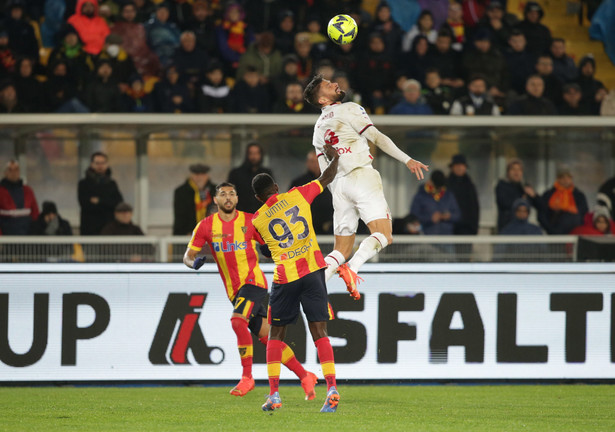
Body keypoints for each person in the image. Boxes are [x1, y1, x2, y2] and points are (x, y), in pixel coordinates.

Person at [183, 182, 317, 399]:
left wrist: (269, 250)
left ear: (237, 199)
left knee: (237, 321)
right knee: (268, 337)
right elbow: (187, 256)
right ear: (215, 200)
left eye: (232, 194)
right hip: (234, 292)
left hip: (253, 283)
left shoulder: (251, 221)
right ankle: (305, 375)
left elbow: (271, 243)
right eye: (223, 194)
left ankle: (247, 377)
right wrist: (194, 263)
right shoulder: (206, 226)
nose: (228, 198)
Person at [303, 74, 429, 298]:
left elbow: (324, 172)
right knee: (384, 235)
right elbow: (376, 137)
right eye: (328, 85)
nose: (335, 84)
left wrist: (338, 195)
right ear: (322, 100)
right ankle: (353, 268)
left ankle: (309, 290)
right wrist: (407, 159)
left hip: (338, 187)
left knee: (340, 250)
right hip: (361, 175)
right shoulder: (350, 108)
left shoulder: (318, 128)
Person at [251, 143, 341, 413]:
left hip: (286, 277)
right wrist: (334, 155)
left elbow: (266, 250)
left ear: (257, 197)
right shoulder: (299, 194)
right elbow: (327, 178)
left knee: (276, 334)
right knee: (319, 332)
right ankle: (333, 387)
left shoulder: (257, 220)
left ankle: (274, 394)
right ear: (276, 187)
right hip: (314, 271)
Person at [78, 151, 123, 235]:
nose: (100, 166)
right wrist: (108, 203)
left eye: (102, 163)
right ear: (92, 164)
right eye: (97, 163)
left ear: (107, 164)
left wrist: (99, 201)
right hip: (89, 229)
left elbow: (118, 202)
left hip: (109, 229)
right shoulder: (84, 184)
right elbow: (85, 204)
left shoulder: (112, 184)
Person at [289, 150, 334, 235]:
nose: (316, 164)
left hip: (329, 229)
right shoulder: (298, 183)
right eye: (312, 161)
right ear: (307, 163)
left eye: (318, 161)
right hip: (305, 229)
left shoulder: (332, 181)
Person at [495, 158, 543, 232]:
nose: (516, 172)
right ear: (508, 172)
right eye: (513, 169)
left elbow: (541, 206)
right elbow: (504, 203)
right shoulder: (502, 186)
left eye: (519, 170)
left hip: (524, 230)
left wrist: (534, 195)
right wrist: (522, 199)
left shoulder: (525, 187)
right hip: (506, 229)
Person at [410, 169, 461, 235]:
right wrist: (430, 218)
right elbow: (413, 216)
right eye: (436, 186)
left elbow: (458, 215)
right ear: (431, 181)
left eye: (440, 186)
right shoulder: (421, 195)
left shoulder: (449, 195)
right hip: (427, 237)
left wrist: (448, 216)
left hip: (447, 238)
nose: (438, 189)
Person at [227, 142, 274, 214]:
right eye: (251, 153)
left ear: (261, 155)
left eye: (256, 153)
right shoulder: (236, 173)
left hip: (262, 215)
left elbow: (271, 195)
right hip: (241, 215)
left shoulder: (266, 173)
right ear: (247, 155)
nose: (254, 156)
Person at [541, 166, 588, 234]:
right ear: (558, 179)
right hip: (555, 231)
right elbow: (542, 213)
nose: (566, 180)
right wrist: (550, 229)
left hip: (575, 231)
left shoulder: (579, 195)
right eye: (562, 177)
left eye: (568, 177)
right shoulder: (549, 194)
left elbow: (584, 213)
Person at [172, 163, 216, 235]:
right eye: (196, 174)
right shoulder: (181, 192)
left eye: (202, 174)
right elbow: (180, 217)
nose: (199, 178)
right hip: (187, 237)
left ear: (207, 176)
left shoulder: (216, 191)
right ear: (191, 175)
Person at [0, 159, 39, 235]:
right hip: (7, 238)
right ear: (5, 172)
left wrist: (36, 233)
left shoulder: (28, 190)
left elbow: (35, 213)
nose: (14, 173)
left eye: (16, 169)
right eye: (10, 170)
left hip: (27, 236)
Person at [447, 154, 479, 235]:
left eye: (462, 165)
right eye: (457, 165)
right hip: (449, 228)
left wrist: (474, 227)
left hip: (467, 228)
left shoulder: (470, 185)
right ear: (452, 167)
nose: (460, 168)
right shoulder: (446, 184)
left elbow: (475, 207)